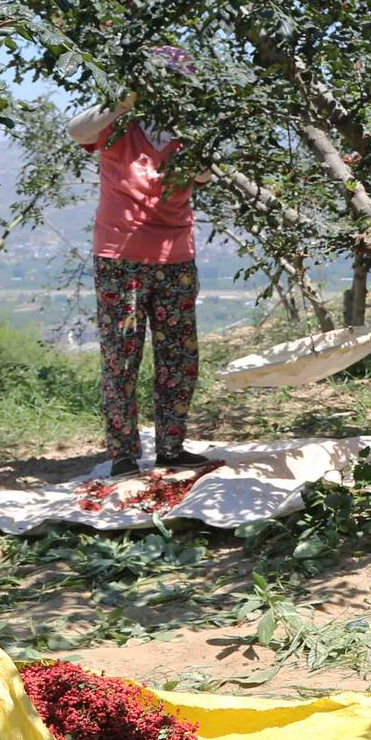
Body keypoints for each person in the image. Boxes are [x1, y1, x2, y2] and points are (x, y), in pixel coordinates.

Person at [66, 88, 213, 476]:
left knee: (179, 359)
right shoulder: (117, 128)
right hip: (121, 260)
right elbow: (75, 130)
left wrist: (189, 131)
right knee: (122, 356)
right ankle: (124, 454)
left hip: (176, 257)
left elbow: (204, 174)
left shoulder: (188, 133)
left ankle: (170, 448)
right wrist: (122, 103)